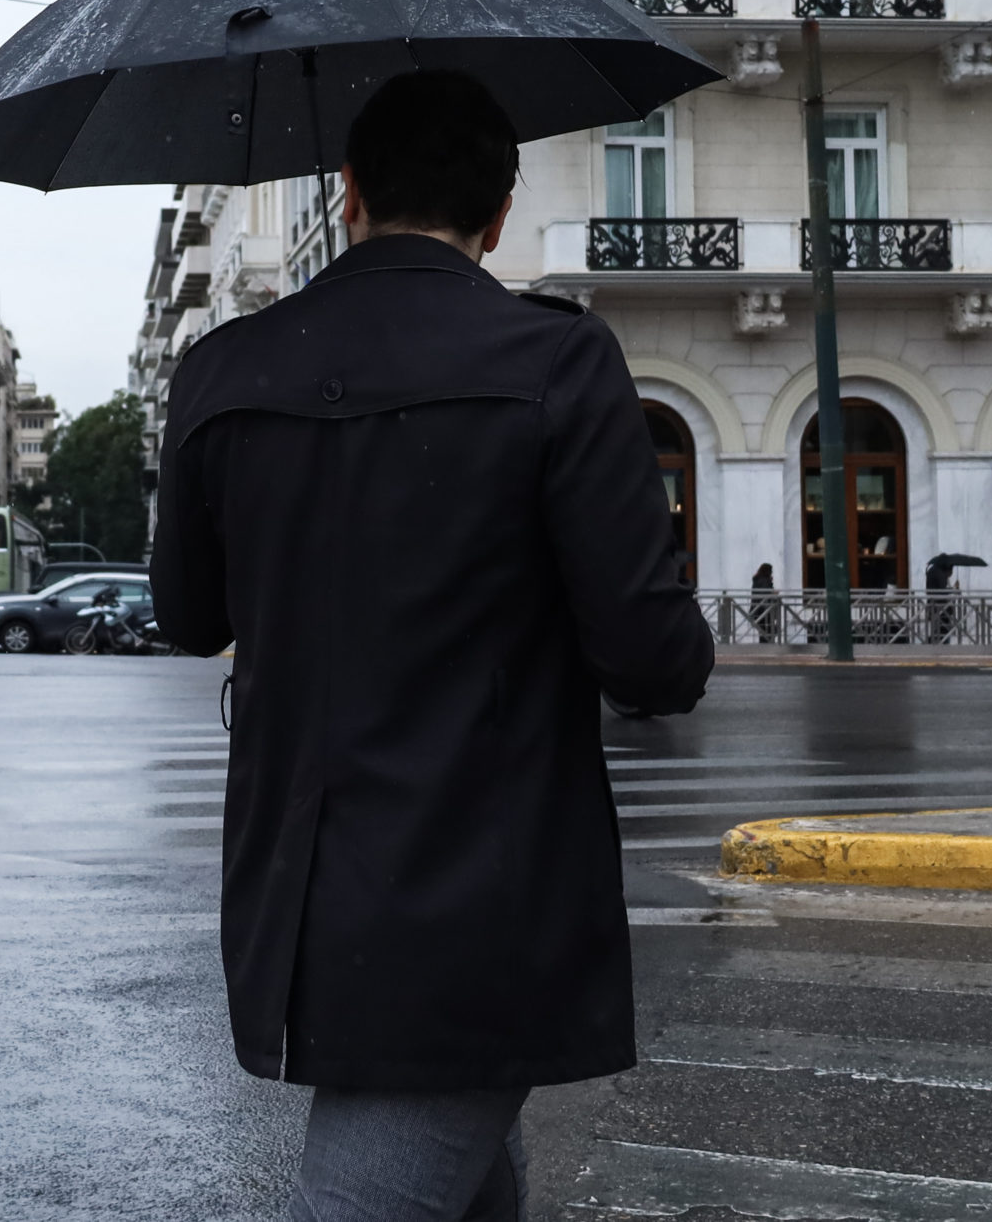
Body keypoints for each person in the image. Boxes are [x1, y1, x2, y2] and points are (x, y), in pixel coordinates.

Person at [152, 69, 715, 1222]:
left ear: (349, 191)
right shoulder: (555, 359)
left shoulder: (221, 370)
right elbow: (652, 660)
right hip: (484, 887)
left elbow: (188, 615)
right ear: (497, 214)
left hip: (298, 881)